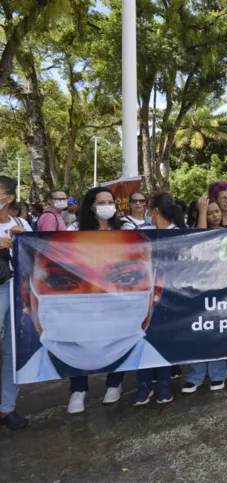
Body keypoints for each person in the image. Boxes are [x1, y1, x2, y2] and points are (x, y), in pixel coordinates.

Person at [17, 187, 170, 414]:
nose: (107, 206)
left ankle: (114, 383)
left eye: (110, 202)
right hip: (92, 298)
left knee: (116, 335)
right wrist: (21, 238)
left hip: (116, 298)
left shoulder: (127, 229)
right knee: (78, 335)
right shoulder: (74, 230)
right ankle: (78, 389)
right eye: (101, 202)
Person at [131, 193, 186, 406]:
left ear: (154, 211)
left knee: (163, 342)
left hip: (169, 298)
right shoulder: (142, 233)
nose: (145, 212)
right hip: (142, 297)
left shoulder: (180, 234)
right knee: (141, 341)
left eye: (148, 208)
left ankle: (163, 383)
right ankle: (144, 385)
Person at [182, 195, 227, 393]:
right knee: (198, 334)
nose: (214, 216)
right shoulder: (196, 232)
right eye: (209, 213)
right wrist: (202, 212)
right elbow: (200, 242)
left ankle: (218, 374)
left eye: (216, 211)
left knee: (217, 333)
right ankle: (196, 375)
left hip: (223, 291)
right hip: (199, 291)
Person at [0, 176, 31, 429]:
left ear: (8, 198)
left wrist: (24, 242)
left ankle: (7, 409)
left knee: (13, 352)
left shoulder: (21, 223)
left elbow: (39, 255)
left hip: (18, 293)